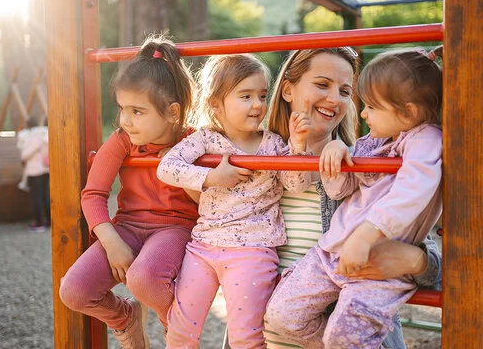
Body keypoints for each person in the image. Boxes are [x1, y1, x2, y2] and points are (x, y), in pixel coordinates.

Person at [265, 47, 444, 349]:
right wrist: (335, 154)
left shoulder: (412, 142)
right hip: (281, 325)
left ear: (408, 111)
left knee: (344, 336)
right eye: (322, 84)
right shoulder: (258, 155)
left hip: (363, 278)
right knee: (284, 314)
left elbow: (413, 201)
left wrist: (416, 260)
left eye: (346, 91)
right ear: (287, 89)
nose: (337, 100)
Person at [156, 53, 313, 348]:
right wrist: (213, 176)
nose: (257, 104)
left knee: (246, 336)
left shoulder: (275, 144)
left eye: (262, 95)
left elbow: (295, 184)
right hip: (203, 248)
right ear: (216, 103)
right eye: (246, 96)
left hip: (252, 251)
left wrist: (299, 146)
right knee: (181, 328)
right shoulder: (205, 139)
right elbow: (166, 168)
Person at [59, 35, 200, 349]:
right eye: (122, 108)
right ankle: (126, 319)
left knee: (145, 280)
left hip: (174, 228)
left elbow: (207, 203)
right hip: (127, 228)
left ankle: (176, 335)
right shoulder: (123, 140)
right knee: (74, 290)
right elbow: (93, 193)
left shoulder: (194, 142)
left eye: (137, 111)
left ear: (173, 112)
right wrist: (111, 243)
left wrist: (181, 172)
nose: (125, 120)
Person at [17, 116, 50, 232]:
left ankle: (39, 223)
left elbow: (25, 155)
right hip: (46, 169)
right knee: (45, 196)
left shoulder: (36, 137)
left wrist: (23, 157)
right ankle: (49, 220)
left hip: (35, 170)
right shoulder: (47, 135)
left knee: (37, 197)